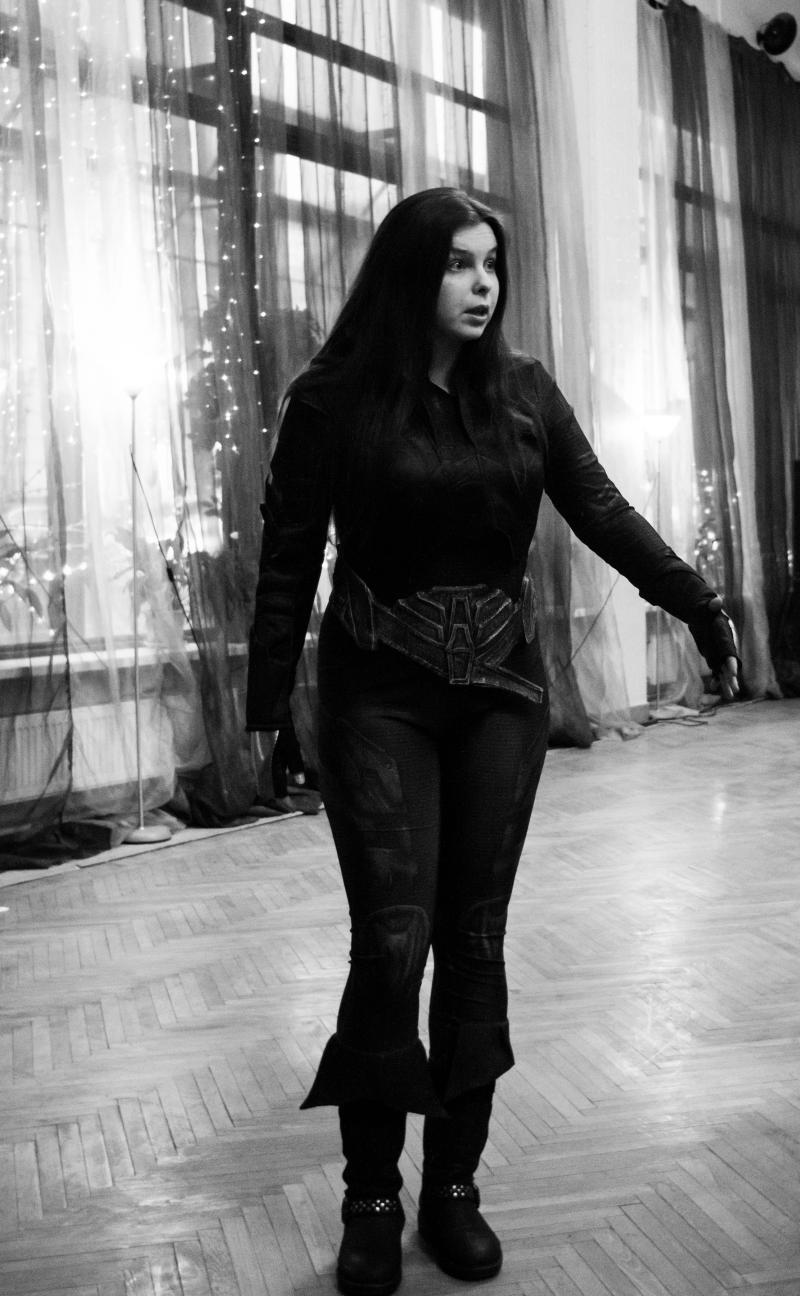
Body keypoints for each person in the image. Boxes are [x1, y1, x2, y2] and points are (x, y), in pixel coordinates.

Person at [246, 187, 739, 1296]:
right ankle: (371, 1197)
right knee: (392, 943)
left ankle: (453, 1188)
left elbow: (602, 510)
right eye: (459, 265)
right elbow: (288, 556)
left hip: (502, 696)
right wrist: (269, 708)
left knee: (473, 940)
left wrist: (698, 602)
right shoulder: (330, 398)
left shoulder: (521, 393)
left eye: (492, 264)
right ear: (408, 274)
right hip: (377, 693)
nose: (483, 285)